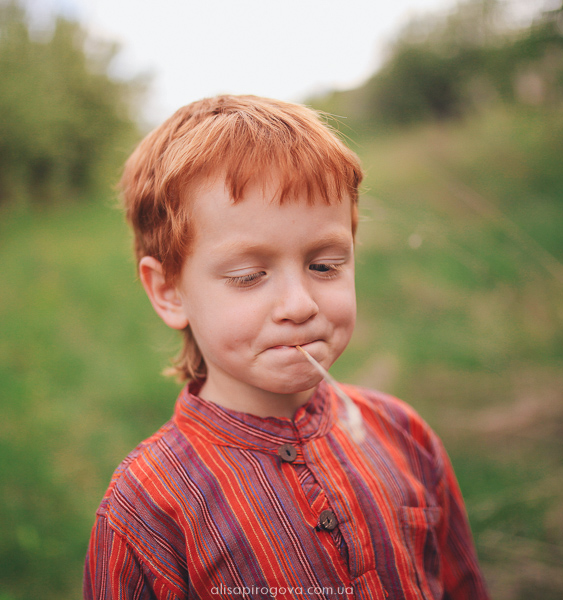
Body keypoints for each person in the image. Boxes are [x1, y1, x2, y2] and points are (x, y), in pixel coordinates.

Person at [84, 95, 489, 599]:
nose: (299, 304)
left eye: (324, 265)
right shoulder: (148, 508)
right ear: (169, 292)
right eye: (248, 275)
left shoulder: (405, 436)